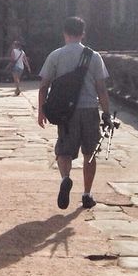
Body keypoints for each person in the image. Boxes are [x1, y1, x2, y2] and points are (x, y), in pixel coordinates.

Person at [36, 16, 111, 211]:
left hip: (66, 112)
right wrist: (107, 113)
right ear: (83, 33)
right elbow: (101, 89)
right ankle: (87, 194)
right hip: (89, 110)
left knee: (64, 149)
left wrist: (41, 111)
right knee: (90, 153)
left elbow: (43, 86)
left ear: (64, 33)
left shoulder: (56, 55)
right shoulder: (93, 56)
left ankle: (65, 178)